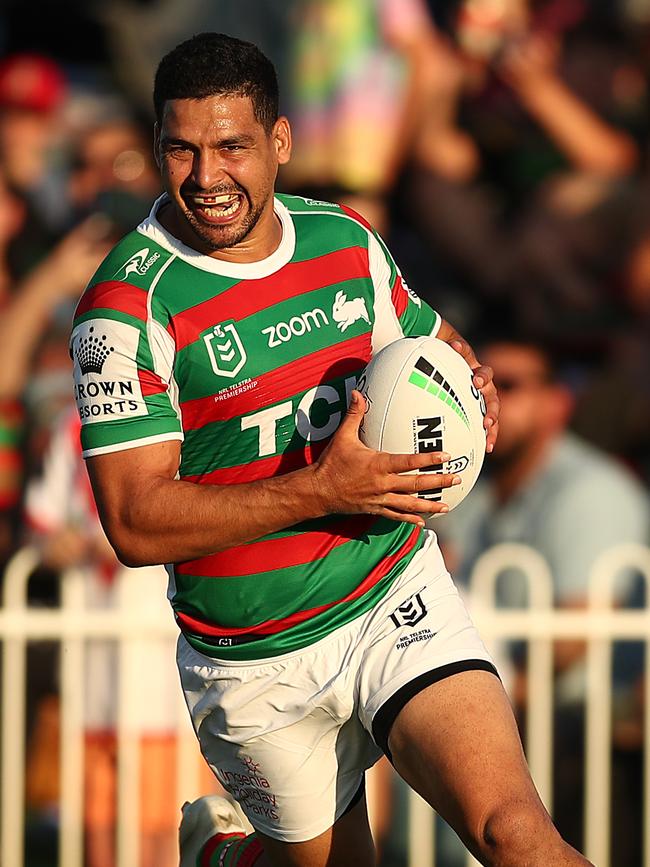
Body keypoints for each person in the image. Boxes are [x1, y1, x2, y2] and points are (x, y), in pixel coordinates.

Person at [69, 33, 591, 867]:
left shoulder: (342, 241)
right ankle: (224, 856)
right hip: (253, 659)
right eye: (182, 149)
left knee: (517, 834)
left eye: (232, 146)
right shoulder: (123, 308)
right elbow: (133, 523)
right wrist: (324, 487)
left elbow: (429, 341)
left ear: (279, 142)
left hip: (393, 596)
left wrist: (472, 383)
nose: (207, 178)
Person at [439, 336, 650, 861]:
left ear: (558, 403)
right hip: (508, 721)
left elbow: (573, 642)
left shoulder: (590, 491)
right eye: (481, 382)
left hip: (587, 733)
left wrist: (467, 708)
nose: (491, 397)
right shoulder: (472, 488)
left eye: (510, 385)